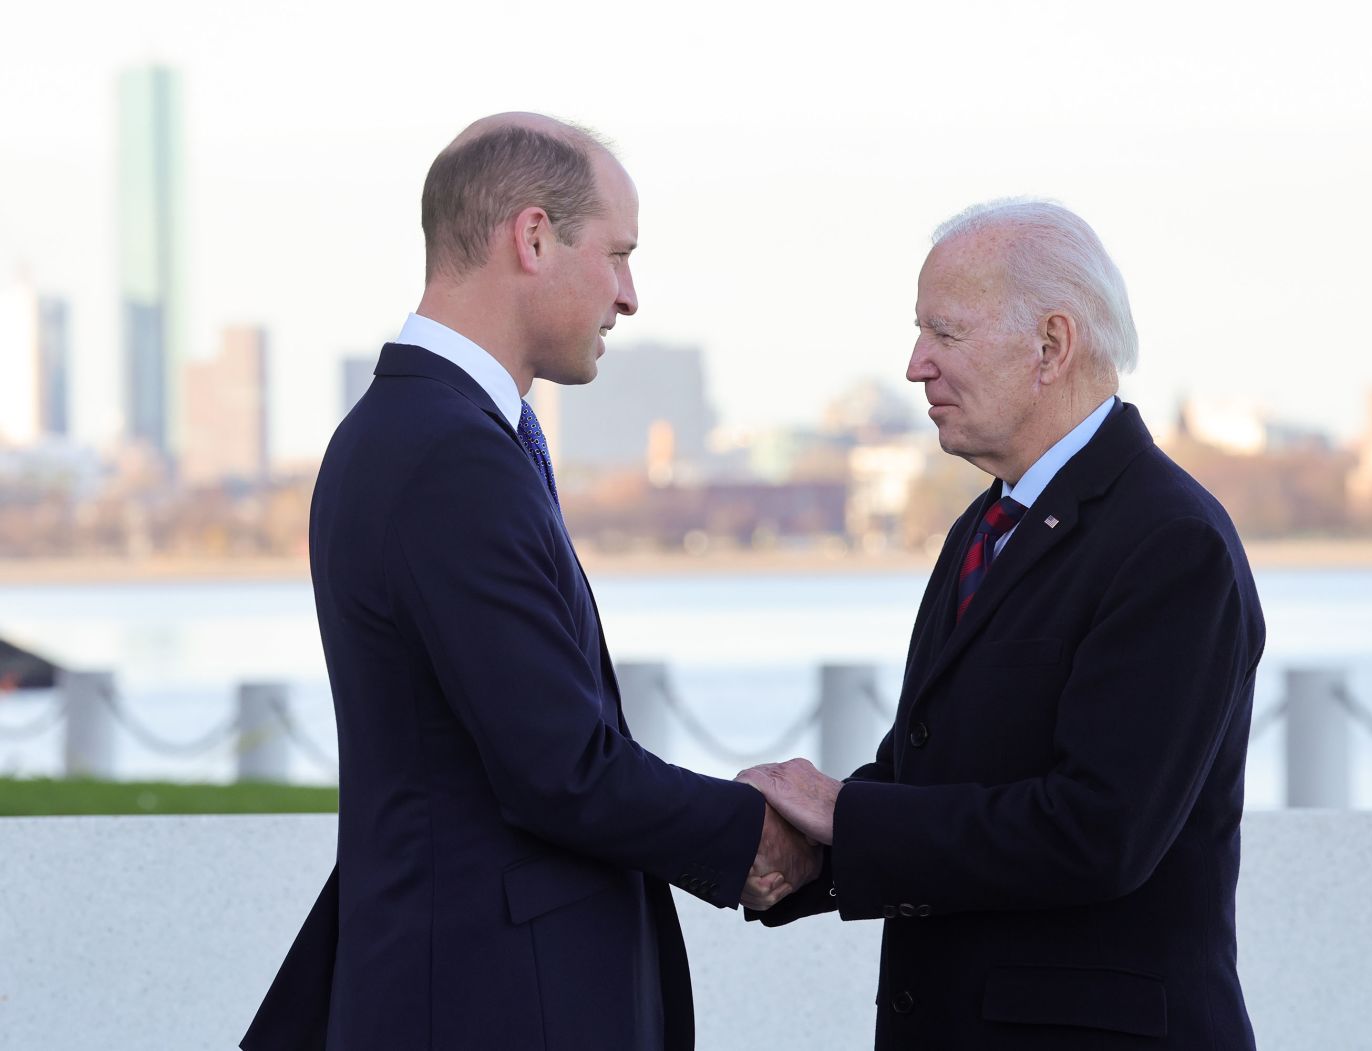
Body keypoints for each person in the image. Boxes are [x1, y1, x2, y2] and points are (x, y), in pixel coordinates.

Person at [240, 113, 818, 1051]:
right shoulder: (447, 453)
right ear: (535, 236)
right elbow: (559, 767)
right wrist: (758, 836)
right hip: (487, 1003)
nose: (629, 297)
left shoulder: (423, 431)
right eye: (618, 255)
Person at [740, 199, 1266, 1049]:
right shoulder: (990, 524)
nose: (916, 365)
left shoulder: (1171, 541)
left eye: (944, 333)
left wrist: (846, 817)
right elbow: (939, 774)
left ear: (1051, 345)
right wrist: (804, 852)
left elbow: (1098, 833)